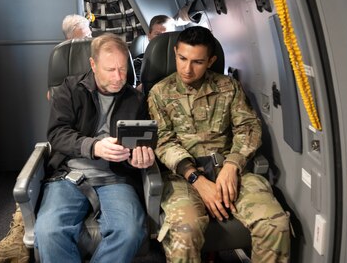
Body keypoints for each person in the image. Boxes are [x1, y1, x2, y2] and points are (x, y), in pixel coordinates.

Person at [147, 26, 290, 263]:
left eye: (197, 62)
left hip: (231, 170)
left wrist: (232, 166)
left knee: (275, 223)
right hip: (184, 177)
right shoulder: (160, 93)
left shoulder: (229, 87)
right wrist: (196, 179)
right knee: (185, 230)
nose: (187, 69)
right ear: (175, 52)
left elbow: (248, 128)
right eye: (182, 58)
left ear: (211, 60)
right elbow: (163, 141)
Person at [0, 16, 92, 263]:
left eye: (90, 35)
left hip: (102, 150)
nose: (88, 41)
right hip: (69, 143)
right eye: (83, 36)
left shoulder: (110, 66)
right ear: (69, 39)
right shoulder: (63, 68)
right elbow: (59, 125)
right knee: (34, 176)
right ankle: (17, 242)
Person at [34, 32, 154, 262]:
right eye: (110, 70)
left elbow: (141, 144)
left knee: (129, 233)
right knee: (48, 232)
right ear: (93, 64)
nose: (119, 77)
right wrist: (94, 147)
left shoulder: (135, 100)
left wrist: (142, 158)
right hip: (69, 175)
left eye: (123, 69)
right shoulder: (69, 89)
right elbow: (57, 134)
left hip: (117, 176)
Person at [133, 15, 175, 90]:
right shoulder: (139, 61)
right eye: (158, 34)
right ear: (149, 36)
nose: (161, 39)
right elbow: (137, 89)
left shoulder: (183, 60)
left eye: (166, 35)